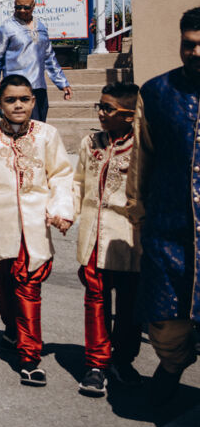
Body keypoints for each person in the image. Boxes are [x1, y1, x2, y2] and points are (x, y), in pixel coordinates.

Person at [0, 74, 75, 387]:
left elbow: (61, 175)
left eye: (24, 99)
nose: (18, 105)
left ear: (33, 101)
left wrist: (61, 210)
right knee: (2, 288)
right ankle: (12, 329)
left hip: (34, 226)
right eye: (10, 100)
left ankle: (29, 358)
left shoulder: (47, 135)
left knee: (27, 288)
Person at [131, 6, 200, 406]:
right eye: (188, 44)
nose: (195, 53)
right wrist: (138, 218)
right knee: (164, 318)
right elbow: (142, 159)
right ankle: (172, 365)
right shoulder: (156, 93)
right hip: (168, 229)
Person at [71, 82, 142, 397]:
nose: (100, 113)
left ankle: (123, 360)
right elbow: (78, 182)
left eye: (108, 108)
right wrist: (66, 212)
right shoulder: (91, 143)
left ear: (129, 115)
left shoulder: (142, 147)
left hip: (128, 240)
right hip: (93, 238)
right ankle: (96, 365)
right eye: (99, 106)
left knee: (129, 306)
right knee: (95, 302)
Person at [0, 0, 72, 122]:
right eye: (18, 7)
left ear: (33, 6)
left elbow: (49, 57)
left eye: (26, 7)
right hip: (15, 89)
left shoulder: (41, 27)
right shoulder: (5, 28)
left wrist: (62, 82)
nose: (21, 10)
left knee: (38, 128)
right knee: (18, 129)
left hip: (38, 88)